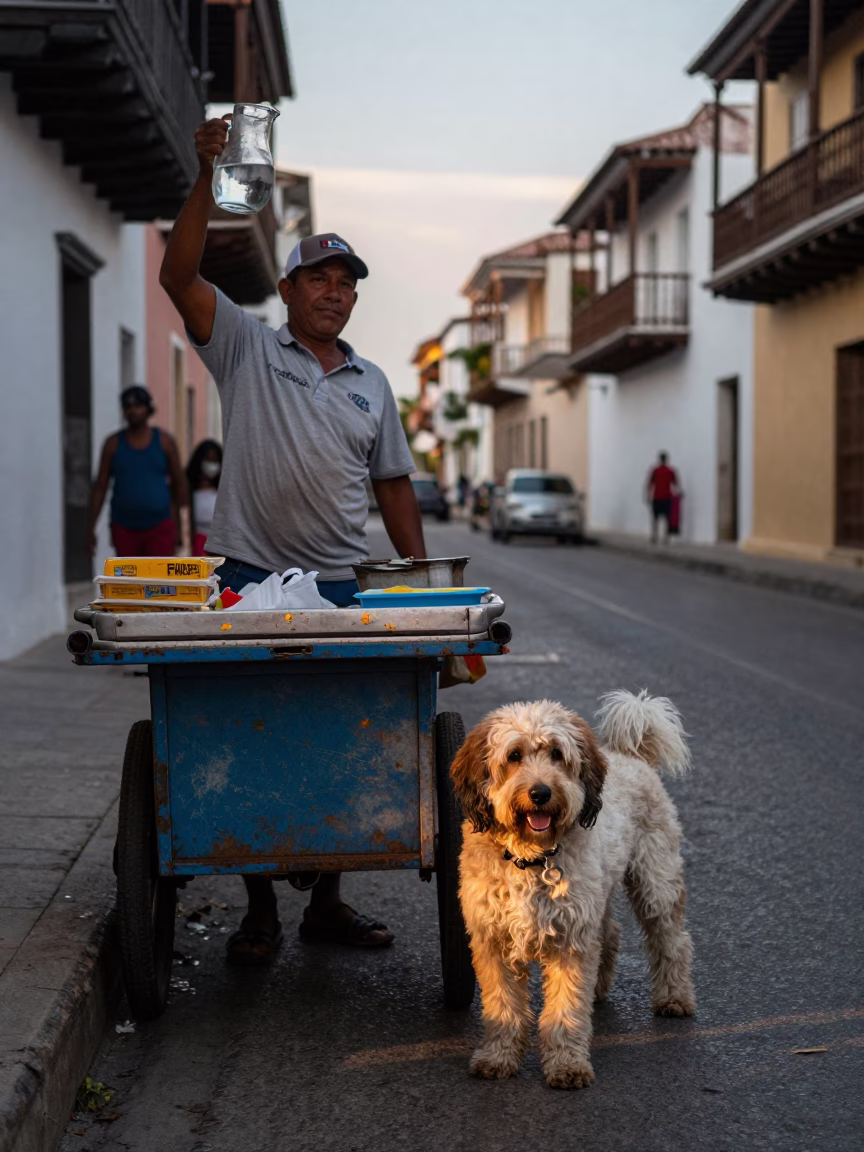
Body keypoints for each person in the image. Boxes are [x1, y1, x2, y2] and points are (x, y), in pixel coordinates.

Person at [159, 114, 426, 964]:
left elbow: (393, 485)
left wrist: (419, 579)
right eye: (321, 277)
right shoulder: (243, 346)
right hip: (247, 575)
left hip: (342, 583)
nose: (336, 291)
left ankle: (327, 905)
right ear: (288, 288)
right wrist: (206, 178)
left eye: (348, 282)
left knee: (344, 738)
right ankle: (261, 909)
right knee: (251, 736)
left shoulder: (371, 383)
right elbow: (178, 273)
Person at [89, 385, 188, 557]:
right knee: (131, 581)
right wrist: (90, 528)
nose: (133, 410)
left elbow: (179, 485)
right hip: (124, 527)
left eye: (138, 405)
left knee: (158, 580)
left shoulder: (165, 442)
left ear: (148, 409)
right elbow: (100, 487)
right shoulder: (112, 444)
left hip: (160, 526)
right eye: (128, 406)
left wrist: (179, 529)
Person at [186, 439, 223, 556]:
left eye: (215, 460)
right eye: (209, 460)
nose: (212, 464)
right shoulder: (189, 487)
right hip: (196, 544)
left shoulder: (223, 487)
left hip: (219, 545)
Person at [645, 451, 680, 545]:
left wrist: (648, 496)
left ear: (660, 460)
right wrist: (679, 493)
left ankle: (654, 536)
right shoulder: (671, 471)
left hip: (657, 497)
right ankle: (666, 537)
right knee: (667, 518)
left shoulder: (655, 471)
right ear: (666, 460)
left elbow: (649, 484)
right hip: (667, 497)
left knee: (655, 518)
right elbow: (676, 483)